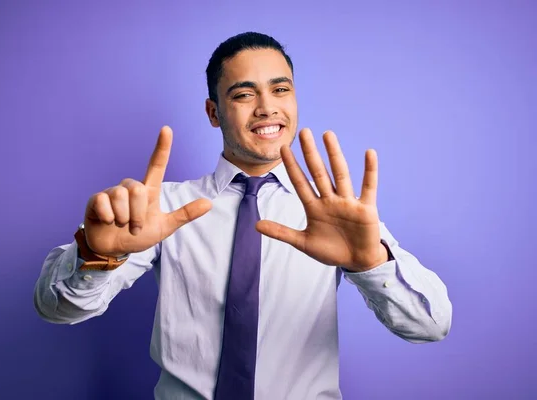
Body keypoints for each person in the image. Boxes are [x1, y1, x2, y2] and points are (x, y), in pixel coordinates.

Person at [34, 31, 452, 400]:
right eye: (243, 94)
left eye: (281, 89)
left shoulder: (336, 215)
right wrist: (96, 255)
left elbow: (431, 324)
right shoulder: (162, 210)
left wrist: (371, 263)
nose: (267, 108)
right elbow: (57, 309)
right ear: (214, 113)